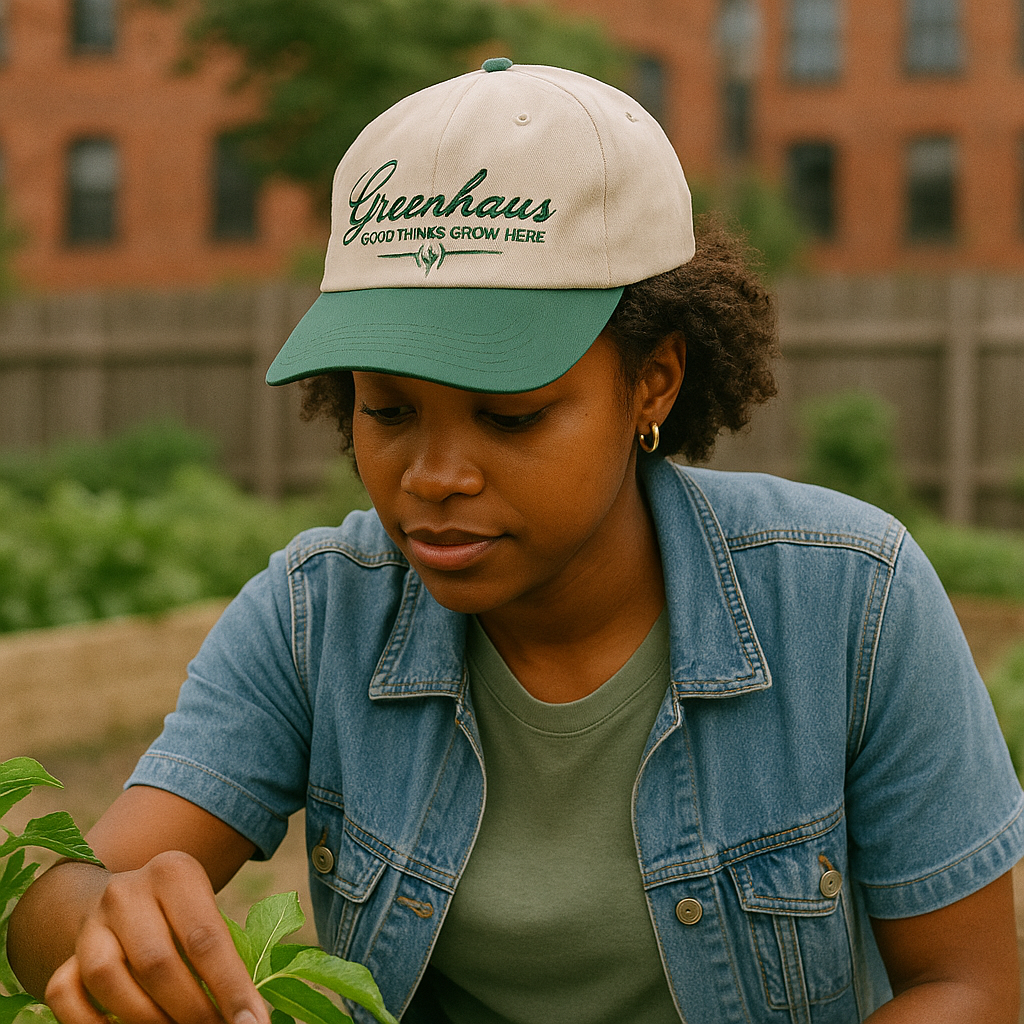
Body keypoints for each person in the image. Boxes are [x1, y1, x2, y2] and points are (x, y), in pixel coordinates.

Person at [9, 60, 1023, 1024]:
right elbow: (57, 897)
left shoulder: (850, 599)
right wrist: (107, 924)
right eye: (389, 410)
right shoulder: (318, 618)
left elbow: (973, 988)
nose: (434, 475)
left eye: (509, 416)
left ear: (652, 381)